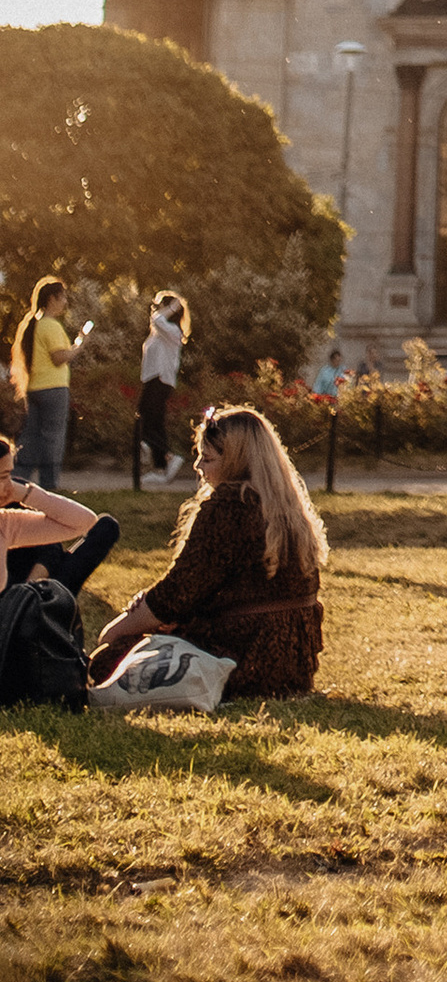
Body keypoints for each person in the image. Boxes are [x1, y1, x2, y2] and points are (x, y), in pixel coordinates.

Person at [87, 406, 328, 696]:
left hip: (244, 658)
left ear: (237, 462)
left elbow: (176, 594)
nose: (198, 466)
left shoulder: (230, 505)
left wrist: (116, 630)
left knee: (110, 658)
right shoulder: (288, 507)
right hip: (293, 664)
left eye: (208, 458)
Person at [1, 431, 122, 629]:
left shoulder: (5, 522)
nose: (10, 485)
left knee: (106, 526)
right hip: (14, 600)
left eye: (10, 475)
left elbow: (83, 522)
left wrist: (24, 493)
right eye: (4, 476)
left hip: (37, 592)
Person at [8, 280, 85, 490]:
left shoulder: (34, 325)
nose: (65, 302)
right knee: (53, 438)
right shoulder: (51, 325)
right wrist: (79, 346)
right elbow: (59, 357)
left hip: (34, 388)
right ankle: (49, 485)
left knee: (30, 437)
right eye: (63, 297)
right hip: (54, 388)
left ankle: (16, 481)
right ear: (52, 299)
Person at [138, 293, 190, 484]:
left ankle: (168, 456)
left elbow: (157, 319)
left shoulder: (173, 331)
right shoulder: (158, 333)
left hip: (161, 381)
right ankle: (161, 467)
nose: (156, 309)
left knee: (149, 421)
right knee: (152, 421)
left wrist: (174, 306)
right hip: (152, 380)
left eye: (160, 305)